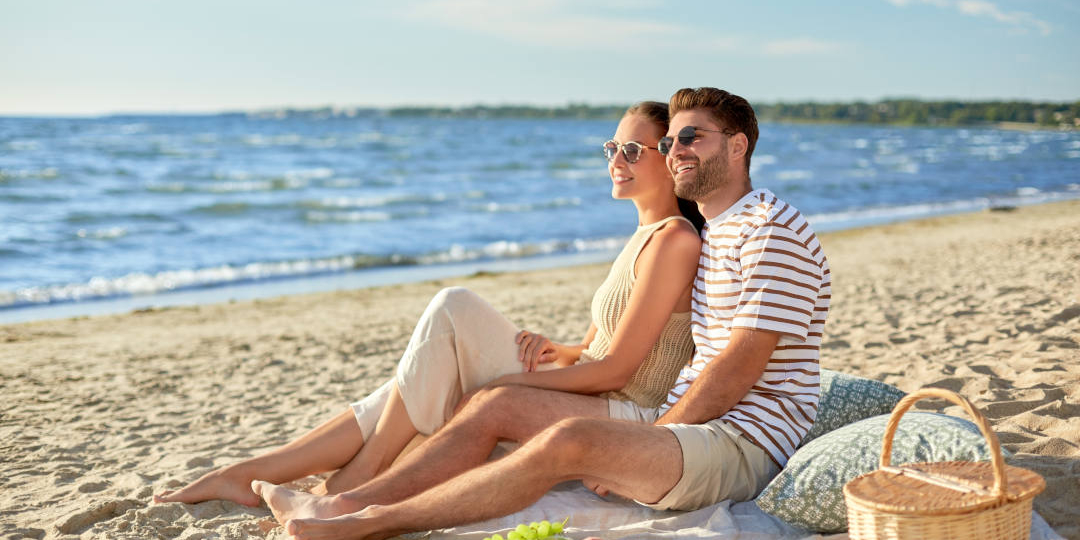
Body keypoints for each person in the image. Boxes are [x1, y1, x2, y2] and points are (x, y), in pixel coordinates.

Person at [248, 87, 832, 540]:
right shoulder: (724, 231)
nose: (676, 152)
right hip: (702, 429)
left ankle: (358, 523)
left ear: (738, 146)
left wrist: (649, 440)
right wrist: (575, 358)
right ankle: (344, 503)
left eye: (693, 139)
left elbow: (735, 367)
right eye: (672, 141)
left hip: (741, 444)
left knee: (570, 437)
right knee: (499, 401)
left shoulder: (771, 230)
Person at [153, 101, 705, 507]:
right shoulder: (644, 234)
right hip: (590, 384)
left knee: (452, 307)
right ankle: (250, 472)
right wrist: (556, 350)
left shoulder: (675, 240)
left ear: (670, 159)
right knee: (416, 376)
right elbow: (594, 347)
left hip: (620, 412)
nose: (616, 159)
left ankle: (355, 474)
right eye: (612, 148)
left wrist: (502, 387)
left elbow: (620, 371)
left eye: (633, 150)